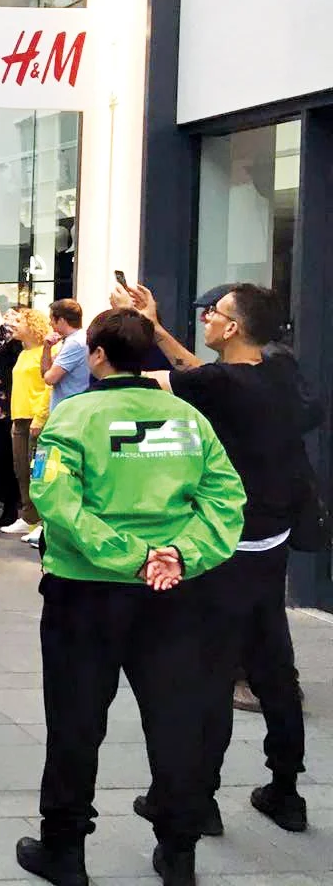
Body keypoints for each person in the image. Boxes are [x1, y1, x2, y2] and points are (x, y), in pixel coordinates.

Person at [14, 309, 244, 886]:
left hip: (84, 594)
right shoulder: (187, 418)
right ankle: (178, 852)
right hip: (173, 592)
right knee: (175, 720)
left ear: (96, 355)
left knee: (75, 721)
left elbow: (58, 504)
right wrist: (180, 555)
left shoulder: (73, 416)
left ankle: (64, 850)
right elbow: (225, 499)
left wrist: (129, 555)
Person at [130, 282, 318, 835]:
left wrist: (133, 338)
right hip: (273, 541)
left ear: (233, 327)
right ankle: (286, 791)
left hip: (223, 545)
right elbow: (200, 373)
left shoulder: (219, 384)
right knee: (273, 667)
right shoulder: (278, 371)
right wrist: (158, 328)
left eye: (213, 313)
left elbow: (154, 381)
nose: (206, 319)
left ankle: (199, 800)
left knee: (209, 673)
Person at [5, 309, 52, 537]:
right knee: (21, 470)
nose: (14, 325)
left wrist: (40, 416)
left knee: (38, 471)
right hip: (20, 417)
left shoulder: (48, 351)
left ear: (32, 325)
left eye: (19, 321)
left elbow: (49, 387)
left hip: (36, 418)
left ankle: (42, 521)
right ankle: (29, 517)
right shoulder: (23, 353)